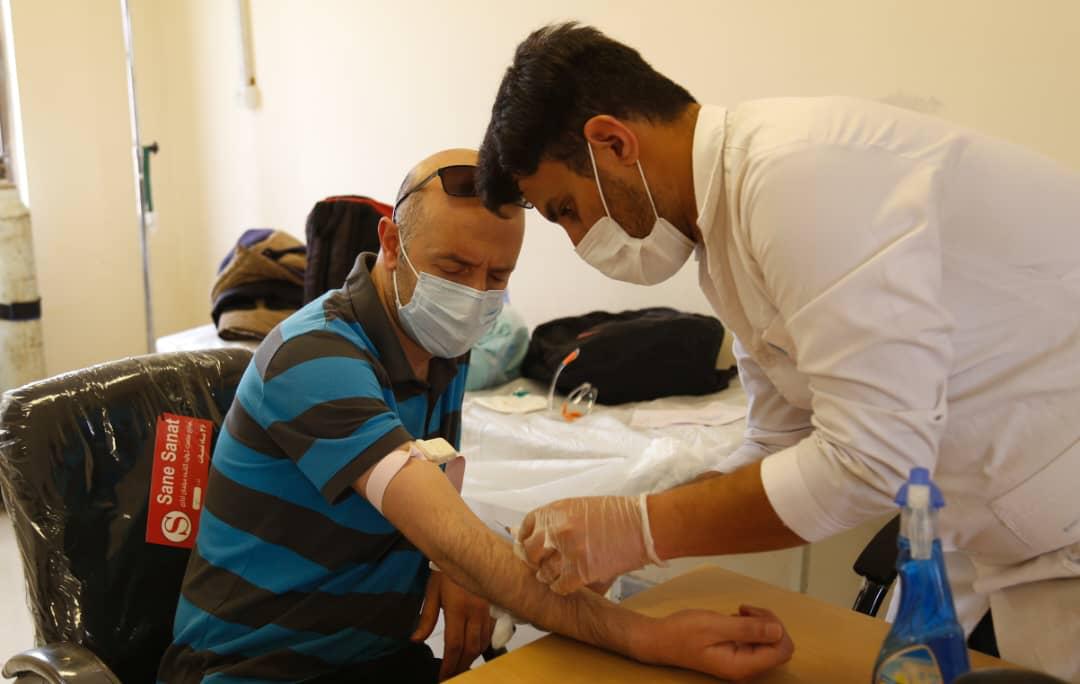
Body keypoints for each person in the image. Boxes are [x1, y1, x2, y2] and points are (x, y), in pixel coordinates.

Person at [476, 23, 1080, 681]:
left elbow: (871, 458)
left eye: (566, 208)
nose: (577, 239)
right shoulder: (726, 233)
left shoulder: (798, 177)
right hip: (1001, 533)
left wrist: (637, 528)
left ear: (613, 142)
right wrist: (618, 540)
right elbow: (776, 443)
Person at [157, 148, 794, 683]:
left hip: (369, 656)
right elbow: (449, 531)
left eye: (497, 276)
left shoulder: (440, 348)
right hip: (253, 668)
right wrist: (648, 636)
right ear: (391, 243)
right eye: (454, 269)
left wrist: (448, 564)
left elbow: (435, 506)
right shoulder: (315, 358)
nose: (474, 297)